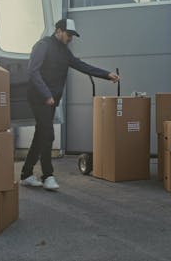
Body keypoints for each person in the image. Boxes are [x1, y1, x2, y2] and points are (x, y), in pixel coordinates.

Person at [20, 18, 120, 190]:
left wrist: (106, 74)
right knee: (48, 134)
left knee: (41, 135)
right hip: (38, 97)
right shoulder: (43, 45)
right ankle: (48, 176)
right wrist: (46, 94)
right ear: (58, 31)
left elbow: (82, 66)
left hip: (51, 100)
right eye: (68, 34)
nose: (70, 38)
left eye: (73, 35)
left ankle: (26, 174)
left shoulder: (64, 52)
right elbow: (32, 71)